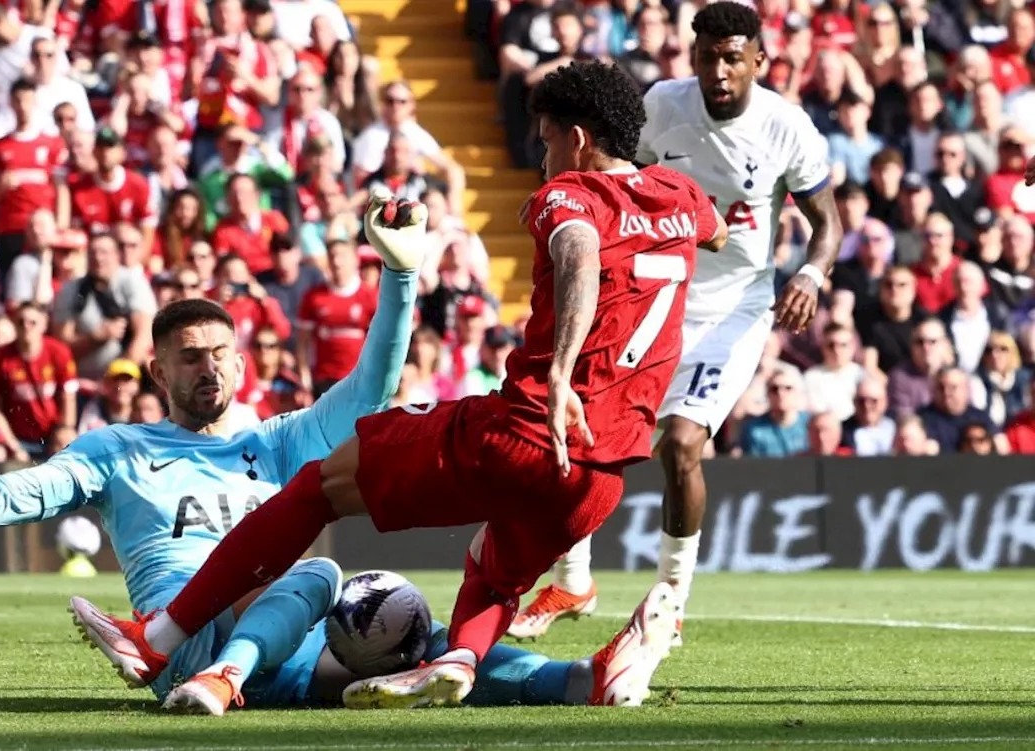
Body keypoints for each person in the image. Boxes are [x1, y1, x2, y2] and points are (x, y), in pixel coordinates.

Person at [68, 59, 727, 713]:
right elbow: (721, 231)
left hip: (522, 429)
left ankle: (158, 637)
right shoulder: (681, 195)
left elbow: (578, 252)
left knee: (319, 485)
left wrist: (560, 370)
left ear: (578, 139)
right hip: (600, 475)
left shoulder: (569, 196)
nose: (543, 156)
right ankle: (468, 660)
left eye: (548, 137)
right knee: (496, 571)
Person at [0, 187, 426, 706]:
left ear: (241, 366)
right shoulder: (116, 450)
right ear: (159, 375)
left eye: (220, 355)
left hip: (287, 641)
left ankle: (517, 680)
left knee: (420, 633)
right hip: (190, 642)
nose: (208, 369)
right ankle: (207, 667)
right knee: (318, 571)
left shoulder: (275, 438)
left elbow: (369, 390)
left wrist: (399, 277)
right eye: (190, 358)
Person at [510, 2, 841, 642]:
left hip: (738, 307)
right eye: (708, 56)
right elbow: (613, 176)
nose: (719, 71)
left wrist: (811, 274)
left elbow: (827, 224)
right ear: (693, 56)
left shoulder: (787, 128)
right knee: (585, 427)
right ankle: (574, 580)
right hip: (658, 294)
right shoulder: (662, 104)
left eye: (733, 59)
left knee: (684, 442)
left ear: (758, 62)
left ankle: (670, 596)